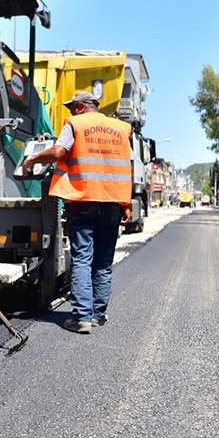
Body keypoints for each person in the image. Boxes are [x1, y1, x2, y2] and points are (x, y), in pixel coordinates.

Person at [21, 91, 132, 334]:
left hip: (82, 199)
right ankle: (98, 315)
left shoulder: (75, 124)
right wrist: (126, 203)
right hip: (112, 200)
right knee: (103, 261)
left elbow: (59, 152)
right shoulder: (122, 128)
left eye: (72, 107)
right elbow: (126, 165)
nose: (71, 112)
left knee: (82, 258)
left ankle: (82, 317)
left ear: (80, 107)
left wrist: (32, 160)